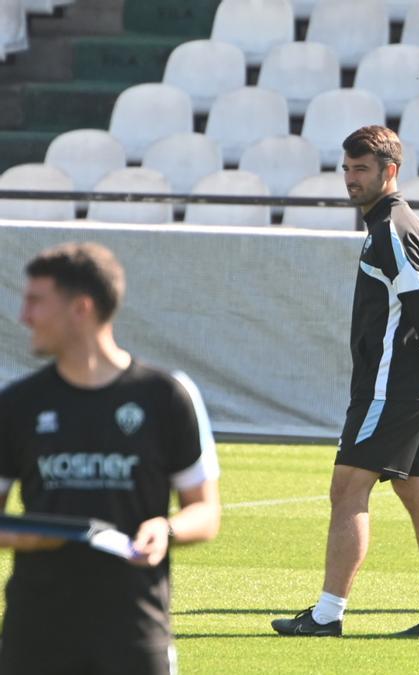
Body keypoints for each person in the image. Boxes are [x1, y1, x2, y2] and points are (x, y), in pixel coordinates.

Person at [271, 126, 419, 638]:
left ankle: (327, 614)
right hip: (404, 383)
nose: (350, 179)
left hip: (392, 384)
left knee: (347, 489)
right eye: (346, 168)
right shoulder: (390, 225)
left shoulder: (393, 228)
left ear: (390, 171)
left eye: (361, 169)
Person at [0, 242, 222, 674]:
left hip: (134, 629)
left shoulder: (166, 396)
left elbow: (206, 513)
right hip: (35, 631)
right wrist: (30, 536)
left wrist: (167, 528)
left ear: (80, 308)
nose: (23, 316)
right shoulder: (16, 404)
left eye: (35, 302)